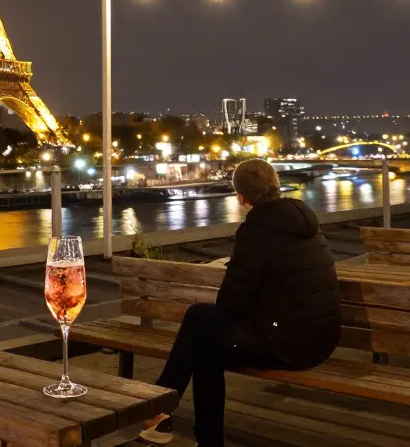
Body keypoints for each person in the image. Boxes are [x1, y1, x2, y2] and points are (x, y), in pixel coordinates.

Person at [138, 159, 341, 446]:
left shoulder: (256, 230)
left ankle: (159, 406)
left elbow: (229, 306)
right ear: (276, 187)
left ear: (240, 196)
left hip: (287, 345)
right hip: (320, 340)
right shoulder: (306, 224)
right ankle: (197, 435)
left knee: (197, 317)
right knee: (207, 350)